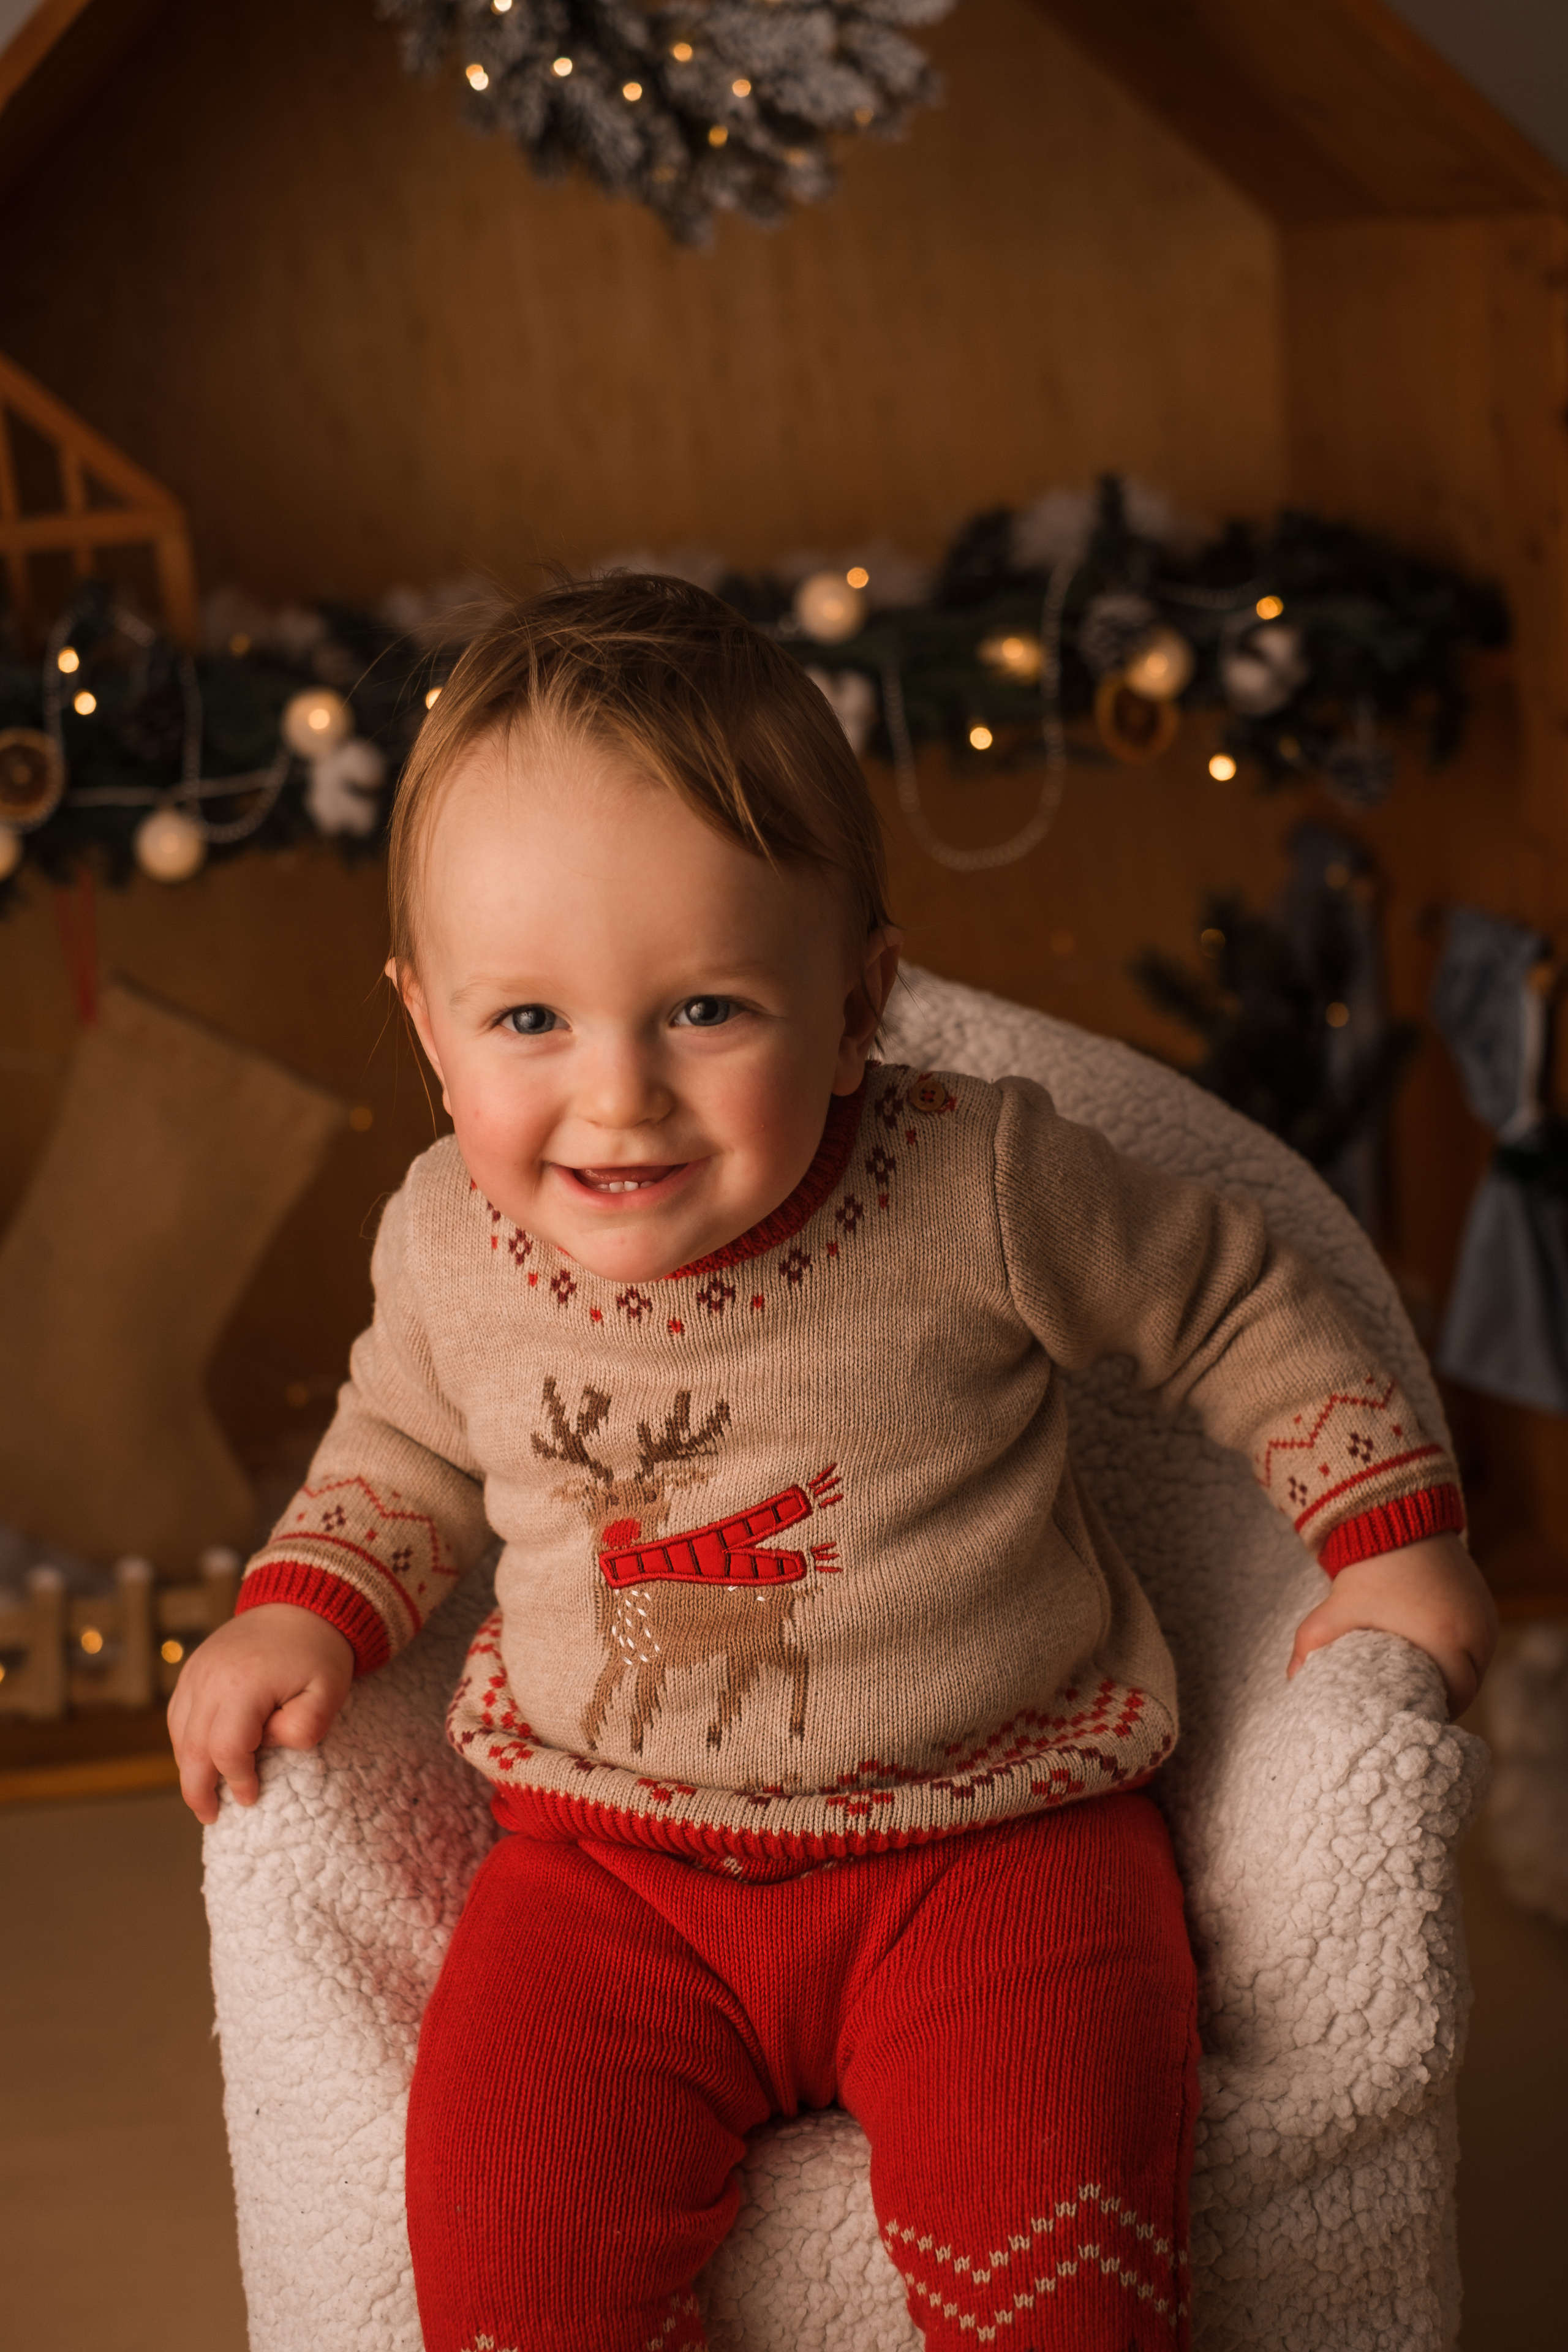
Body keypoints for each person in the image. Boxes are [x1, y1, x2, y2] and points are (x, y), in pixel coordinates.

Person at [170, 575, 1494, 2352]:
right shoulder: (445, 1247)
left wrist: (1390, 1534)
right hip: (603, 1870)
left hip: (1002, 1838)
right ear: (427, 1024)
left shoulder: (982, 1184)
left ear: (861, 1004)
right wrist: (301, 1612)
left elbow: (1238, 1296)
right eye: (530, 1023)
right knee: (505, 2228)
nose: (619, 1093)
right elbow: (399, 1444)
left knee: (1068, 2256)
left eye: (707, 1010)